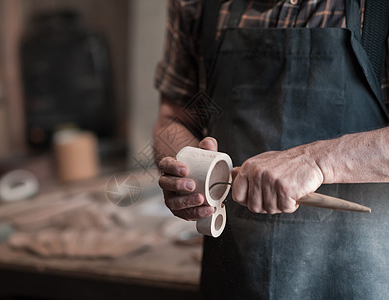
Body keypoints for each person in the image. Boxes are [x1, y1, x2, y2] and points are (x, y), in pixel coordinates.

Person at [153, 0, 389, 299]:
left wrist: (316, 161)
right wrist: (186, 167)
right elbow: (174, 117)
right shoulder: (195, 5)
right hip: (233, 276)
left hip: (363, 279)